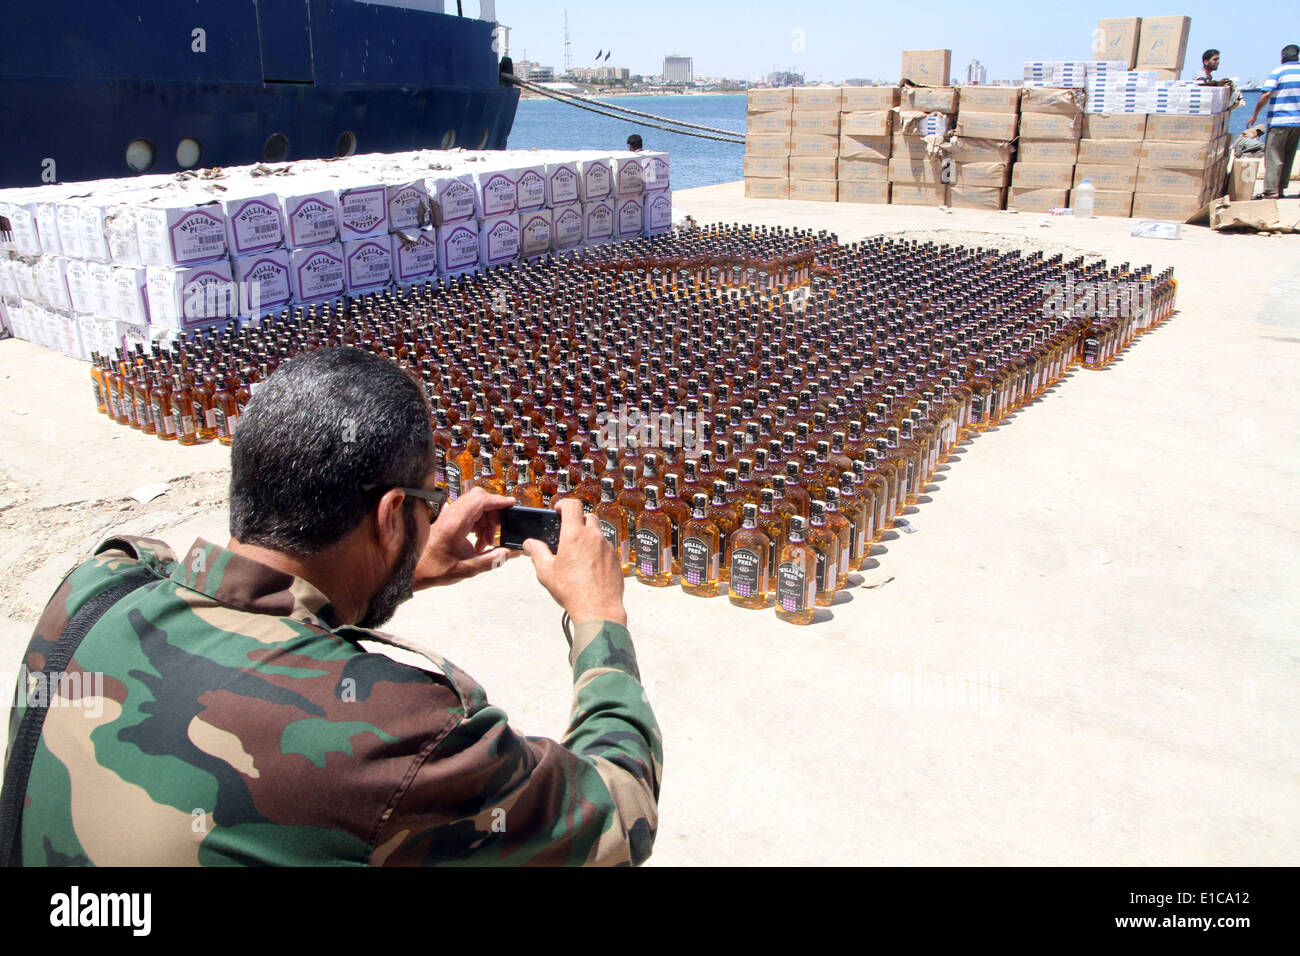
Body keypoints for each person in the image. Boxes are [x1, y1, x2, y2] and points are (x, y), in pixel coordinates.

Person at [1, 347, 660, 866]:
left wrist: (397, 572)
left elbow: (246, 609)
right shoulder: (397, 731)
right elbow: (618, 815)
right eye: (428, 502)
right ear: (390, 515)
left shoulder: (91, 589)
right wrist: (599, 617)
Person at [1245, 44, 1300, 199]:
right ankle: (1281, 188)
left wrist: (1255, 114)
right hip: (1297, 122)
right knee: (1288, 156)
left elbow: (1266, 94)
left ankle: (1271, 190)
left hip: (1280, 120)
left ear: (1282, 58)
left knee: (1274, 156)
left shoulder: (1278, 71)